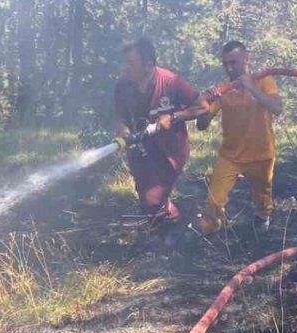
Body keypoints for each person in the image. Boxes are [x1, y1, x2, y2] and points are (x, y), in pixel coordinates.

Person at [113, 36, 206, 227]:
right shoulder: (123, 86)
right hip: (139, 149)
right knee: (144, 194)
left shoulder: (172, 82)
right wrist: (122, 129)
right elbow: (119, 115)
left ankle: (172, 222)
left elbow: (202, 106)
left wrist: (173, 118)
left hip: (169, 150)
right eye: (126, 62)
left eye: (131, 63)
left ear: (148, 65)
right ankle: (162, 219)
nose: (126, 68)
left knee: (153, 198)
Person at [194, 41, 284, 236]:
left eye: (233, 62)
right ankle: (210, 228)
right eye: (225, 64)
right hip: (230, 156)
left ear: (247, 58)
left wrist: (251, 87)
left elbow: (277, 108)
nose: (229, 68)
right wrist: (203, 103)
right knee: (214, 200)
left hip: (261, 154)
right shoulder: (223, 91)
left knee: (262, 197)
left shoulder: (264, 80)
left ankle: (262, 216)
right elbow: (201, 125)